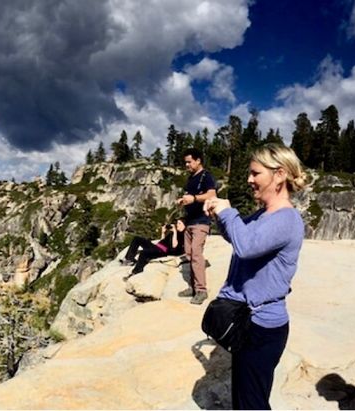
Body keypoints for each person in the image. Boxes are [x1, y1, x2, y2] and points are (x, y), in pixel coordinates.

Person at [203, 143, 306, 410]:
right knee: (246, 401)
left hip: (262, 328)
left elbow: (246, 246)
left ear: (280, 174)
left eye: (255, 173)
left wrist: (228, 211)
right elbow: (238, 237)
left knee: (252, 404)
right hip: (249, 323)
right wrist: (219, 215)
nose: (249, 180)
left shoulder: (287, 219)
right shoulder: (264, 215)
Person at [177, 148, 217, 304]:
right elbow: (190, 198)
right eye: (186, 162)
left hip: (201, 220)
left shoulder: (206, 176)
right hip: (189, 221)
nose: (187, 164)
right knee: (188, 254)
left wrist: (193, 198)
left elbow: (212, 195)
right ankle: (193, 287)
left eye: (189, 161)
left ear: (198, 160)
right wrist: (183, 201)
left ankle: (201, 290)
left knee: (196, 254)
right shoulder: (191, 178)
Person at [120, 219, 186, 276]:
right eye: (177, 223)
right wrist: (163, 233)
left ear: (184, 225)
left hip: (163, 251)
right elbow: (162, 241)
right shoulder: (173, 233)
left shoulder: (183, 235)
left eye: (180, 223)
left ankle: (137, 270)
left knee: (144, 253)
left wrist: (175, 232)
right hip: (157, 247)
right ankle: (129, 259)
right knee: (137, 239)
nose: (177, 225)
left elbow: (174, 246)